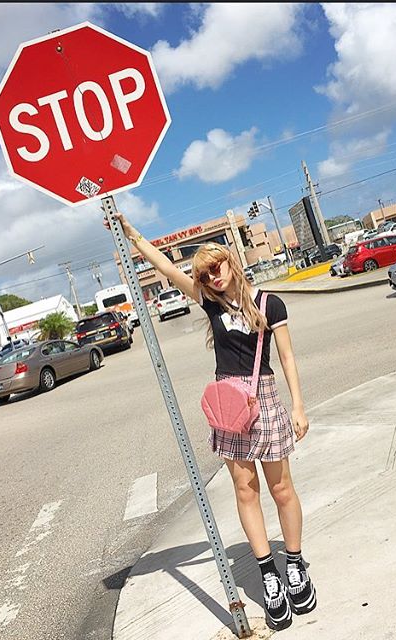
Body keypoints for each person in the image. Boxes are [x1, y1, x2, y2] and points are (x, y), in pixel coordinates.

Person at [104, 212, 316, 631]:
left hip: (264, 399)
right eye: (204, 274)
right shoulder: (210, 303)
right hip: (227, 405)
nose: (213, 277)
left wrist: (298, 406)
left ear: (230, 261)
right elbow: (167, 270)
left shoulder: (270, 303)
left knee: (281, 488)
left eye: (216, 267)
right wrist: (133, 235)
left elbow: (288, 357)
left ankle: (294, 563)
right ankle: (268, 574)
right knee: (245, 489)